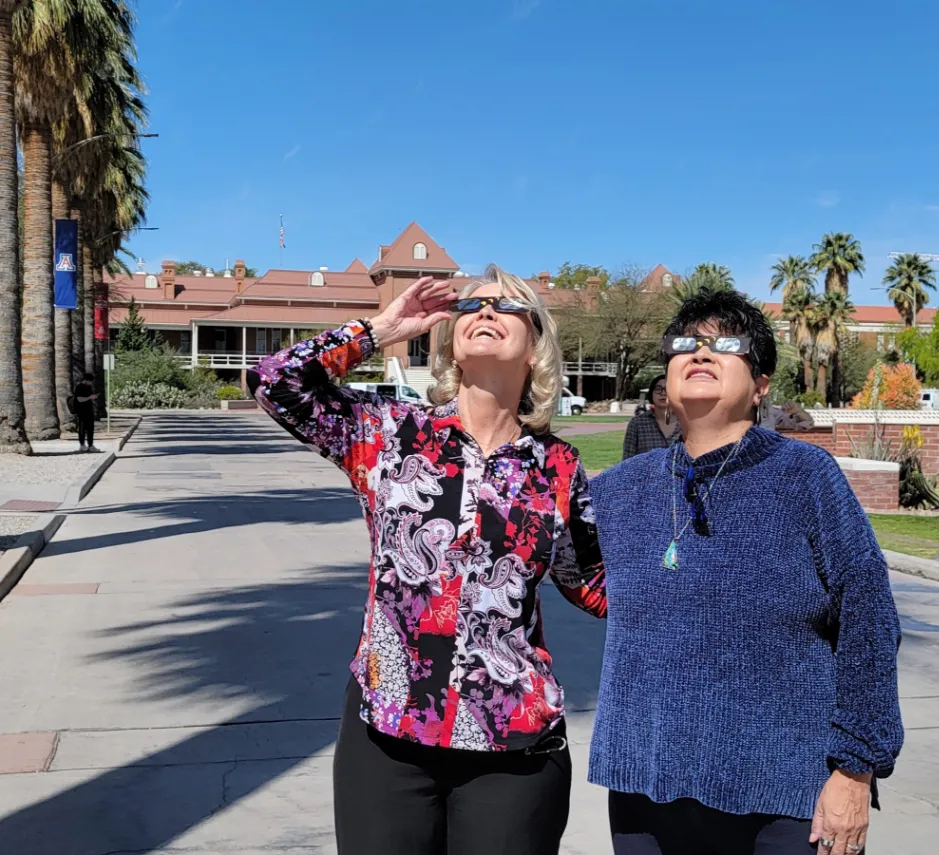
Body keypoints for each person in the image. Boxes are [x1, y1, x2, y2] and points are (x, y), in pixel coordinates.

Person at [248, 267, 607, 855]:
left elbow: (593, 585)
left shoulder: (559, 468)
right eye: (472, 304)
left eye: (507, 306)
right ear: (451, 340)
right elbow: (274, 381)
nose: (485, 312)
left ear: (537, 344)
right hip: (387, 737)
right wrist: (382, 328)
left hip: (513, 746)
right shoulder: (391, 434)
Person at [588, 289, 903, 855]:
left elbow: (869, 614)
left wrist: (855, 769)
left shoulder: (805, 475)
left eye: (725, 344)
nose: (700, 353)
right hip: (645, 787)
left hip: (782, 795)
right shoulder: (620, 491)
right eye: (685, 344)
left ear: (760, 386)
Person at [622, 373, 679, 459]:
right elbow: (627, 460)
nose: (663, 393)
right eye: (658, 389)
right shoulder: (637, 423)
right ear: (651, 393)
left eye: (667, 389)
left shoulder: (686, 423)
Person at [73, 373, 99, 452]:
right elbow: (79, 399)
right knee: (82, 428)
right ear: (86, 380)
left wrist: (93, 397)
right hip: (81, 411)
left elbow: (89, 397)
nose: (91, 383)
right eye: (90, 381)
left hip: (89, 410)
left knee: (90, 429)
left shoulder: (89, 387)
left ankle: (91, 445)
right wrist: (89, 397)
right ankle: (82, 445)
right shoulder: (79, 387)